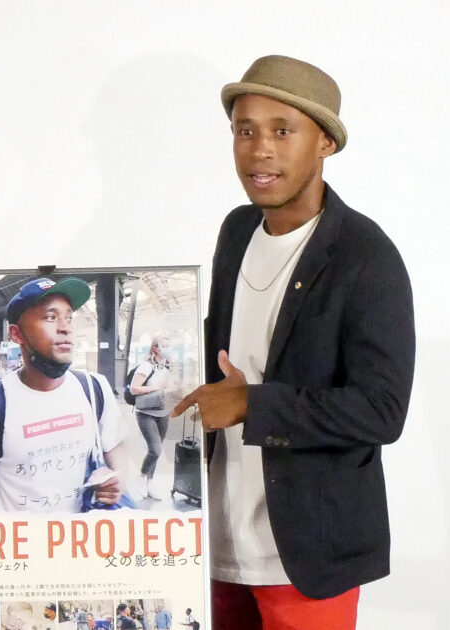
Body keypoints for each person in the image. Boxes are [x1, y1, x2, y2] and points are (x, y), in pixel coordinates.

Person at [171, 55, 414, 630]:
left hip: (307, 556)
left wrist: (253, 404)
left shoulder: (366, 256)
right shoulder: (236, 231)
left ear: (325, 142)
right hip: (217, 543)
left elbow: (382, 410)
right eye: (245, 131)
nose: (260, 150)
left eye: (283, 131)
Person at [0, 277, 125, 513]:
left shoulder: (94, 389)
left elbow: (113, 445)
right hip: (14, 536)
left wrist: (117, 478)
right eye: (51, 317)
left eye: (69, 317)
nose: (65, 328)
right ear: (17, 334)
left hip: (77, 534)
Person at [128, 335, 173, 500]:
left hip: (163, 410)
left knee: (157, 451)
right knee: (155, 450)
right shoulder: (146, 366)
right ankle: (141, 478)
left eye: (169, 346)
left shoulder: (167, 366)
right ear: (155, 348)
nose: (167, 349)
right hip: (146, 412)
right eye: (163, 346)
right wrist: (155, 387)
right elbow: (133, 389)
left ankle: (150, 483)